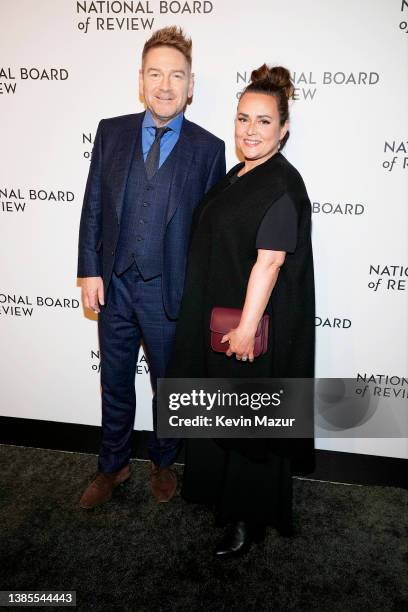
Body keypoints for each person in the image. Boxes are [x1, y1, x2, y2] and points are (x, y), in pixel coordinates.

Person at [166, 65, 315, 557]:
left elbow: (269, 262)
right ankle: (218, 497)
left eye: (264, 122)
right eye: (243, 119)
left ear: (284, 128)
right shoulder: (240, 173)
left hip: (249, 328)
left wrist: (247, 329)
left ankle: (248, 522)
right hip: (217, 319)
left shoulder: (282, 185)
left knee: (250, 422)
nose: (250, 130)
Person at [77, 26, 226, 509]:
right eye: (156, 74)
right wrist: (90, 271)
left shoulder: (209, 149)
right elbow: (93, 207)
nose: (165, 85)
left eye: (176, 76)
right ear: (141, 80)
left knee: (170, 388)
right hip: (115, 285)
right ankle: (113, 465)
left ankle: (165, 463)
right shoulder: (111, 132)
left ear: (191, 85)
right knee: (115, 382)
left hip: (170, 293)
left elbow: (209, 235)